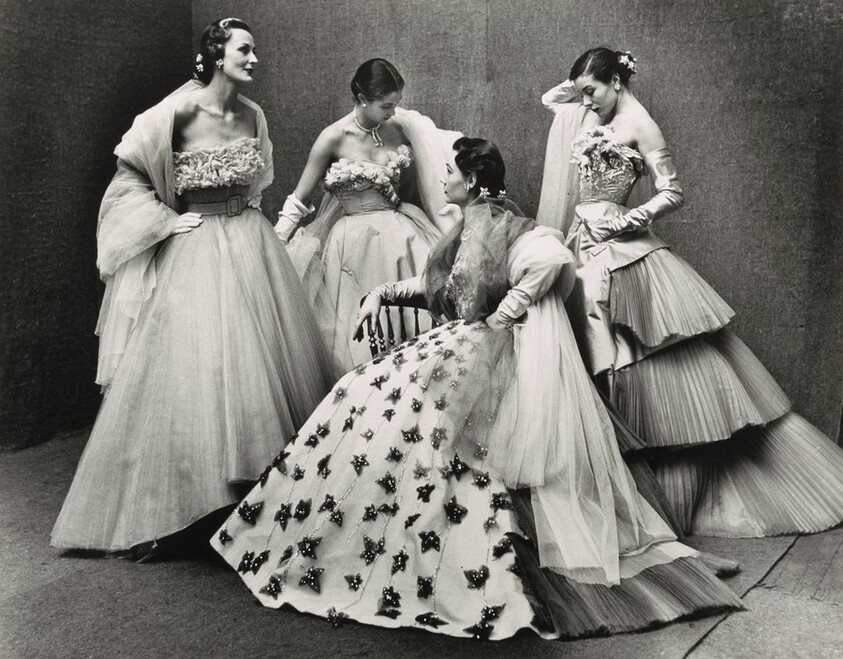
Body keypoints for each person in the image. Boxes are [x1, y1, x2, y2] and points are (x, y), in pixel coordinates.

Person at [211, 138, 741, 640]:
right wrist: (385, 293)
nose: (441, 179)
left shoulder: (503, 225)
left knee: (404, 411)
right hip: (458, 340)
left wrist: (503, 316)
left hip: (482, 350)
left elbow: (551, 261)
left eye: (449, 173)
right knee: (361, 389)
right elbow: (445, 287)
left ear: (470, 180)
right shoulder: (465, 225)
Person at [51, 18, 336, 556]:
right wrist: (164, 221)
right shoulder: (174, 115)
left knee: (260, 369)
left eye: (254, 50)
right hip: (198, 248)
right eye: (244, 50)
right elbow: (127, 183)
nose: (253, 59)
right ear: (217, 54)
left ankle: (260, 501)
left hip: (252, 247)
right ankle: (183, 504)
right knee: (196, 371)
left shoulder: (254, 115)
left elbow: (257, 185)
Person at [537, 47, 843, 536]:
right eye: (584, 93)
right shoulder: (594, 108)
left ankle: (647, 484)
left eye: (594, 90)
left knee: (631, 355)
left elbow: (673, 191)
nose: (586, 102)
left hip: (619, 246)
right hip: (582, 242)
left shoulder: (642, 124)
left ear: (618, 81)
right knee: (578, 338)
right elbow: (556, 98)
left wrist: (627, 220)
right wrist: (583, 90)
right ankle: (607, 482)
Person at [277, 58, 461, 372]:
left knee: (418, 320)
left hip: (402, 232)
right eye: (386, 106)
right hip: (352, 242)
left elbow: (438, 146)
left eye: (396, 105)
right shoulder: (333, 137)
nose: (392, 113)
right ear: (362, 100)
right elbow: (300, 196)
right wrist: (277, 238)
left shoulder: (398, 128)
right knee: (357, 332)